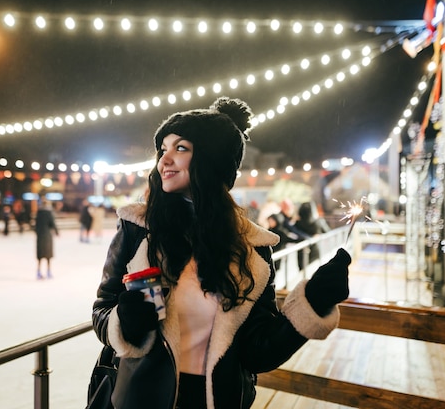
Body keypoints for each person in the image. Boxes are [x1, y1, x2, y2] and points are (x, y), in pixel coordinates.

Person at [91, 97, 351, 409]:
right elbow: (102, 311)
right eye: (163, 149)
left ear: (212, 160)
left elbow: (257, 351)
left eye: (181, 148)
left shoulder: (252, 247)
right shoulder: (138, 228)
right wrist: (125, 321)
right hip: (141, 397)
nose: (165, 160)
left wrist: (312, 304)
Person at [295, 200, 331, 265]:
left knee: (303, 272)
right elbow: (327, 231)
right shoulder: (318, 221)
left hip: (301, 251)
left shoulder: (298, 223)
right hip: (315, 250)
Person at [34, 199, 59, 279]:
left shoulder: (39, 212)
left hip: (40, 235)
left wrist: (37, 232)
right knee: (48, 255)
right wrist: (56, 232)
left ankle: (38, 271)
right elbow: (52, 223)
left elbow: (36, 224)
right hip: (47, 235)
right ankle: (48, 271)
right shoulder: (49, 213)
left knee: (40, 255)